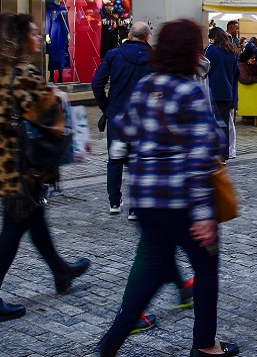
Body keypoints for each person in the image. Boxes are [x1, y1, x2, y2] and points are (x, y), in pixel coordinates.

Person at [98, 19, 238, 357]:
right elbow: (202, 155)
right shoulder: (189, 91)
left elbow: (124, 131)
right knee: (205, 269)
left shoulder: (146, 85)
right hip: (184, 204)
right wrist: (205, 214)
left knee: (152, 272)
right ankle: (206, 345)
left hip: (147, 200)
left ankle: (111, 342)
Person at [0, 13, 90, 325]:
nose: (40, 38)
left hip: (2, 164)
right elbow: (47, 117)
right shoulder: (23, 72)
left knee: (34, 218)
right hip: (23, 167)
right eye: (34, 34)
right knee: (13, 228)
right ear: (19, 39)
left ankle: (60, 271)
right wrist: (59, 96)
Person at [92, 22, 152, 217]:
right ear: (147, 37)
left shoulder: (114, 54)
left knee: (115, 159)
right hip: (143, 116)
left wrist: (106, 107)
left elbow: (96, 83)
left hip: (117, 114)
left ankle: (114, 202)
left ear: (129, 34)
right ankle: (135, 207)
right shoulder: (153, 58)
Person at [206, 27, 240, 162]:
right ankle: (223, 155)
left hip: (212, 90)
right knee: (224, 124)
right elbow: (236, 73)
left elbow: (204, 67)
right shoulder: (232, 52)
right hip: (227, 91)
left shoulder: (211, 49)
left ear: (214, 37)